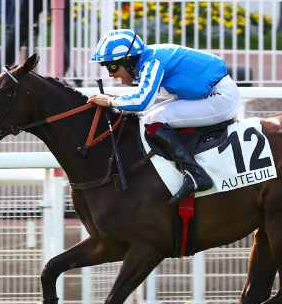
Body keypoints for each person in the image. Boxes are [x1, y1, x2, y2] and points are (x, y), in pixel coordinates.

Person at [87, 29, 241, 205]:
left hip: (221, 98)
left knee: (153, 119)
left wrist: (111, 102)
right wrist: (115, 100)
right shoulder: (148, 58)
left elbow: (142, 101)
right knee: (148, 117)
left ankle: (196, 174)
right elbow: (143, 99)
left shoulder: (152, 61)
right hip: (213, 93)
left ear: (128, 59)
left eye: (112, 66)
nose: (110, 74)